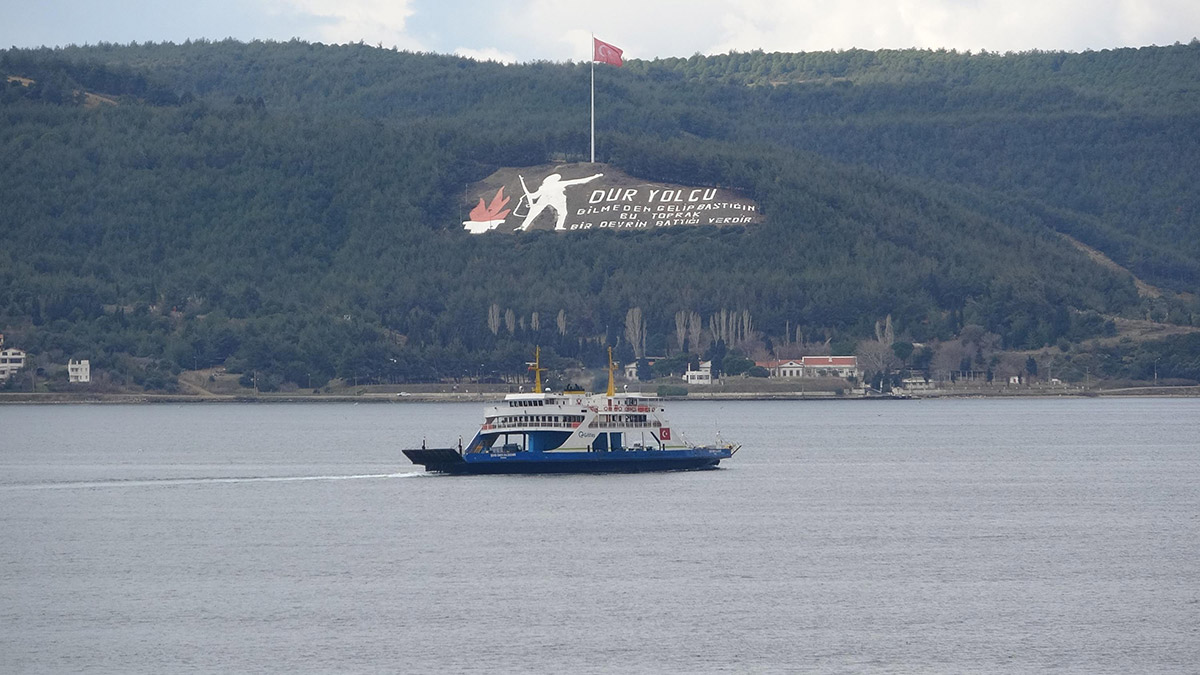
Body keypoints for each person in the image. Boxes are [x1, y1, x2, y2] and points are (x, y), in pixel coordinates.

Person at [517, 172, 603, 231]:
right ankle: (558, 226)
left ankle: (523, 227)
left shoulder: (544, 187)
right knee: (561, 213)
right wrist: (594, 176)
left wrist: (594, 177)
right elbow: (579, 181)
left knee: (535, 213)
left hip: (556, 200)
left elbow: (533, 196)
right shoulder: (554, 185)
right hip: (553, 199)